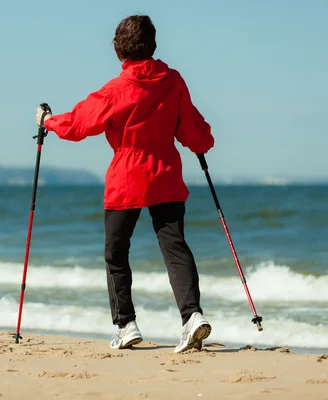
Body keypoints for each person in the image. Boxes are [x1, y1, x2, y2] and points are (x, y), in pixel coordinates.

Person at [35, 14, 215, 353]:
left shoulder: (117, 90)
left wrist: (48, 121)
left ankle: (125, 324)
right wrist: (203, 142)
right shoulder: (173, 80)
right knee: (175, 246)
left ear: (120, 49)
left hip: (128, 175)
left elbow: (78, 124)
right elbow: (190, 127)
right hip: (165, 171)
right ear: (152, 45)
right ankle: (192, 317)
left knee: (116, 252)